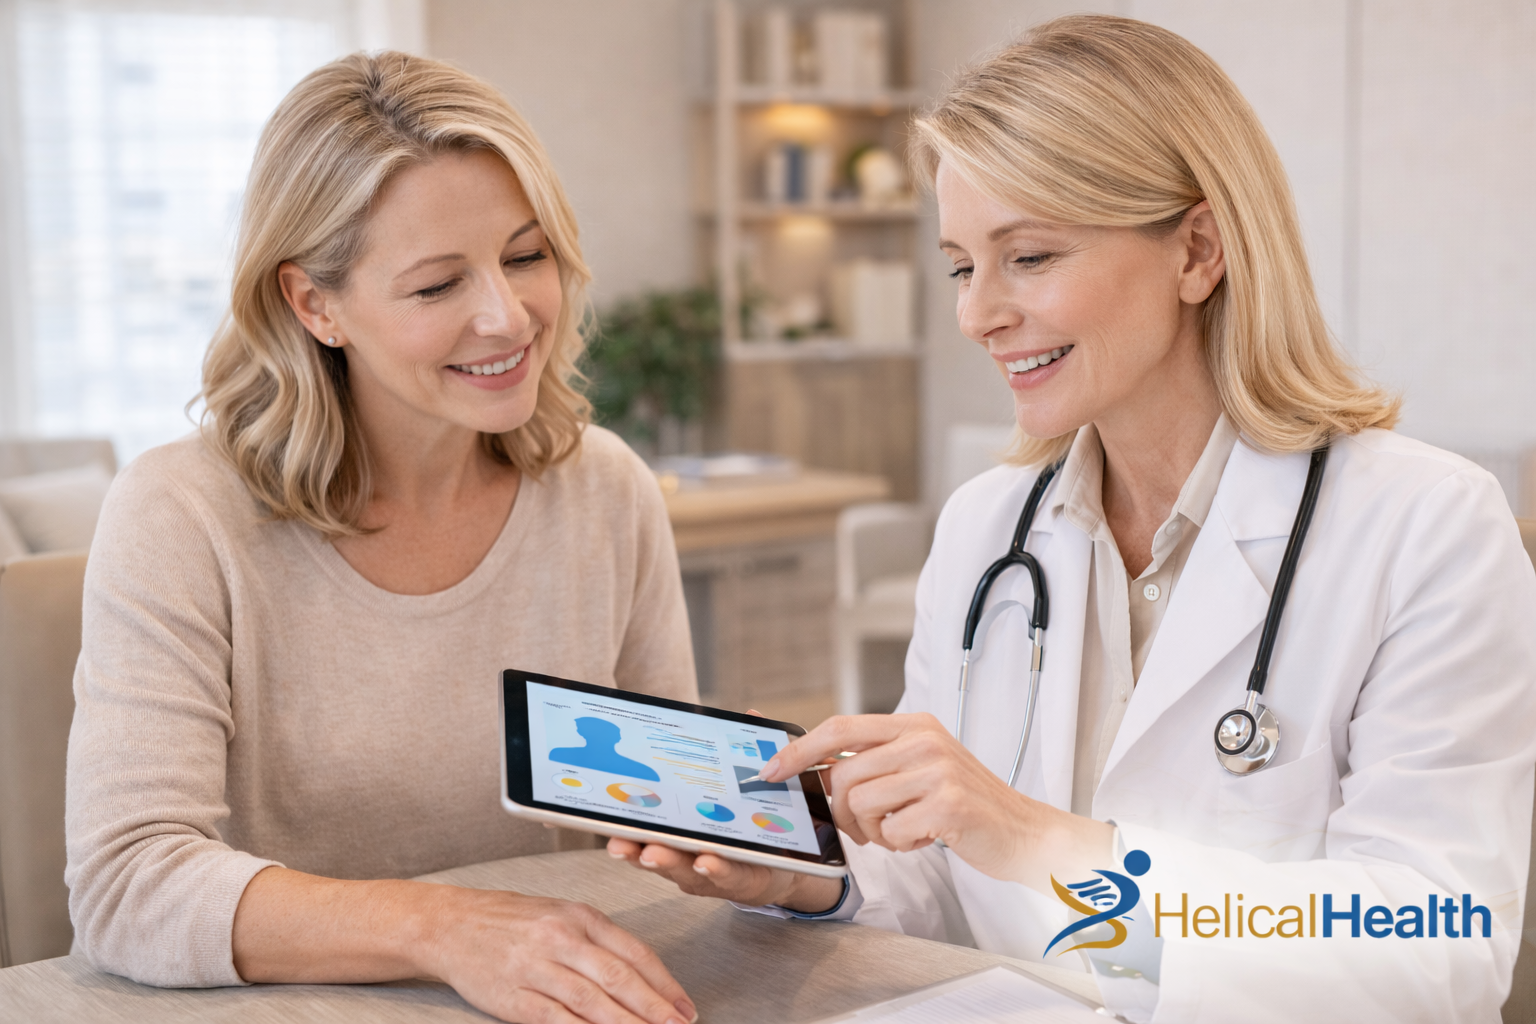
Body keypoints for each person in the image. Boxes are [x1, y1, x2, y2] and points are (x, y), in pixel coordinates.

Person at [610, 15, 1536, 1023]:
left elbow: (1437, 948)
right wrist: (810, 874)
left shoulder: (1426, 527)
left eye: (1031, 256)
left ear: (1197, 250)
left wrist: (1041, 840)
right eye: (963, 265)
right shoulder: (987, 531)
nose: (977, 314)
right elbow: (940, 889)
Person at [66, 52, 700, 1024]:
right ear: (314, 305)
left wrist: (769, 839)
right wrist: (441, 928)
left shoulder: (605, 489)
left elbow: (663, 819)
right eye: (438, 284)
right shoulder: (180, 514)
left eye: (526, 257)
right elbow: (129, 885)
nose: (507, 315)